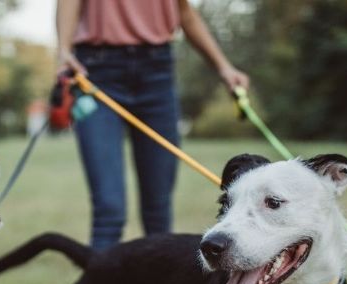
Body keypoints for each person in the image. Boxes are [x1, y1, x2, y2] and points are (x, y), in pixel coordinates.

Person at [57, 0, 249, 251]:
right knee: (109, 211)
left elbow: (184, 12)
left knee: (158, 210)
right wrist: (62, 49)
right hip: (94, 70)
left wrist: (223, 67)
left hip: (157, 70)